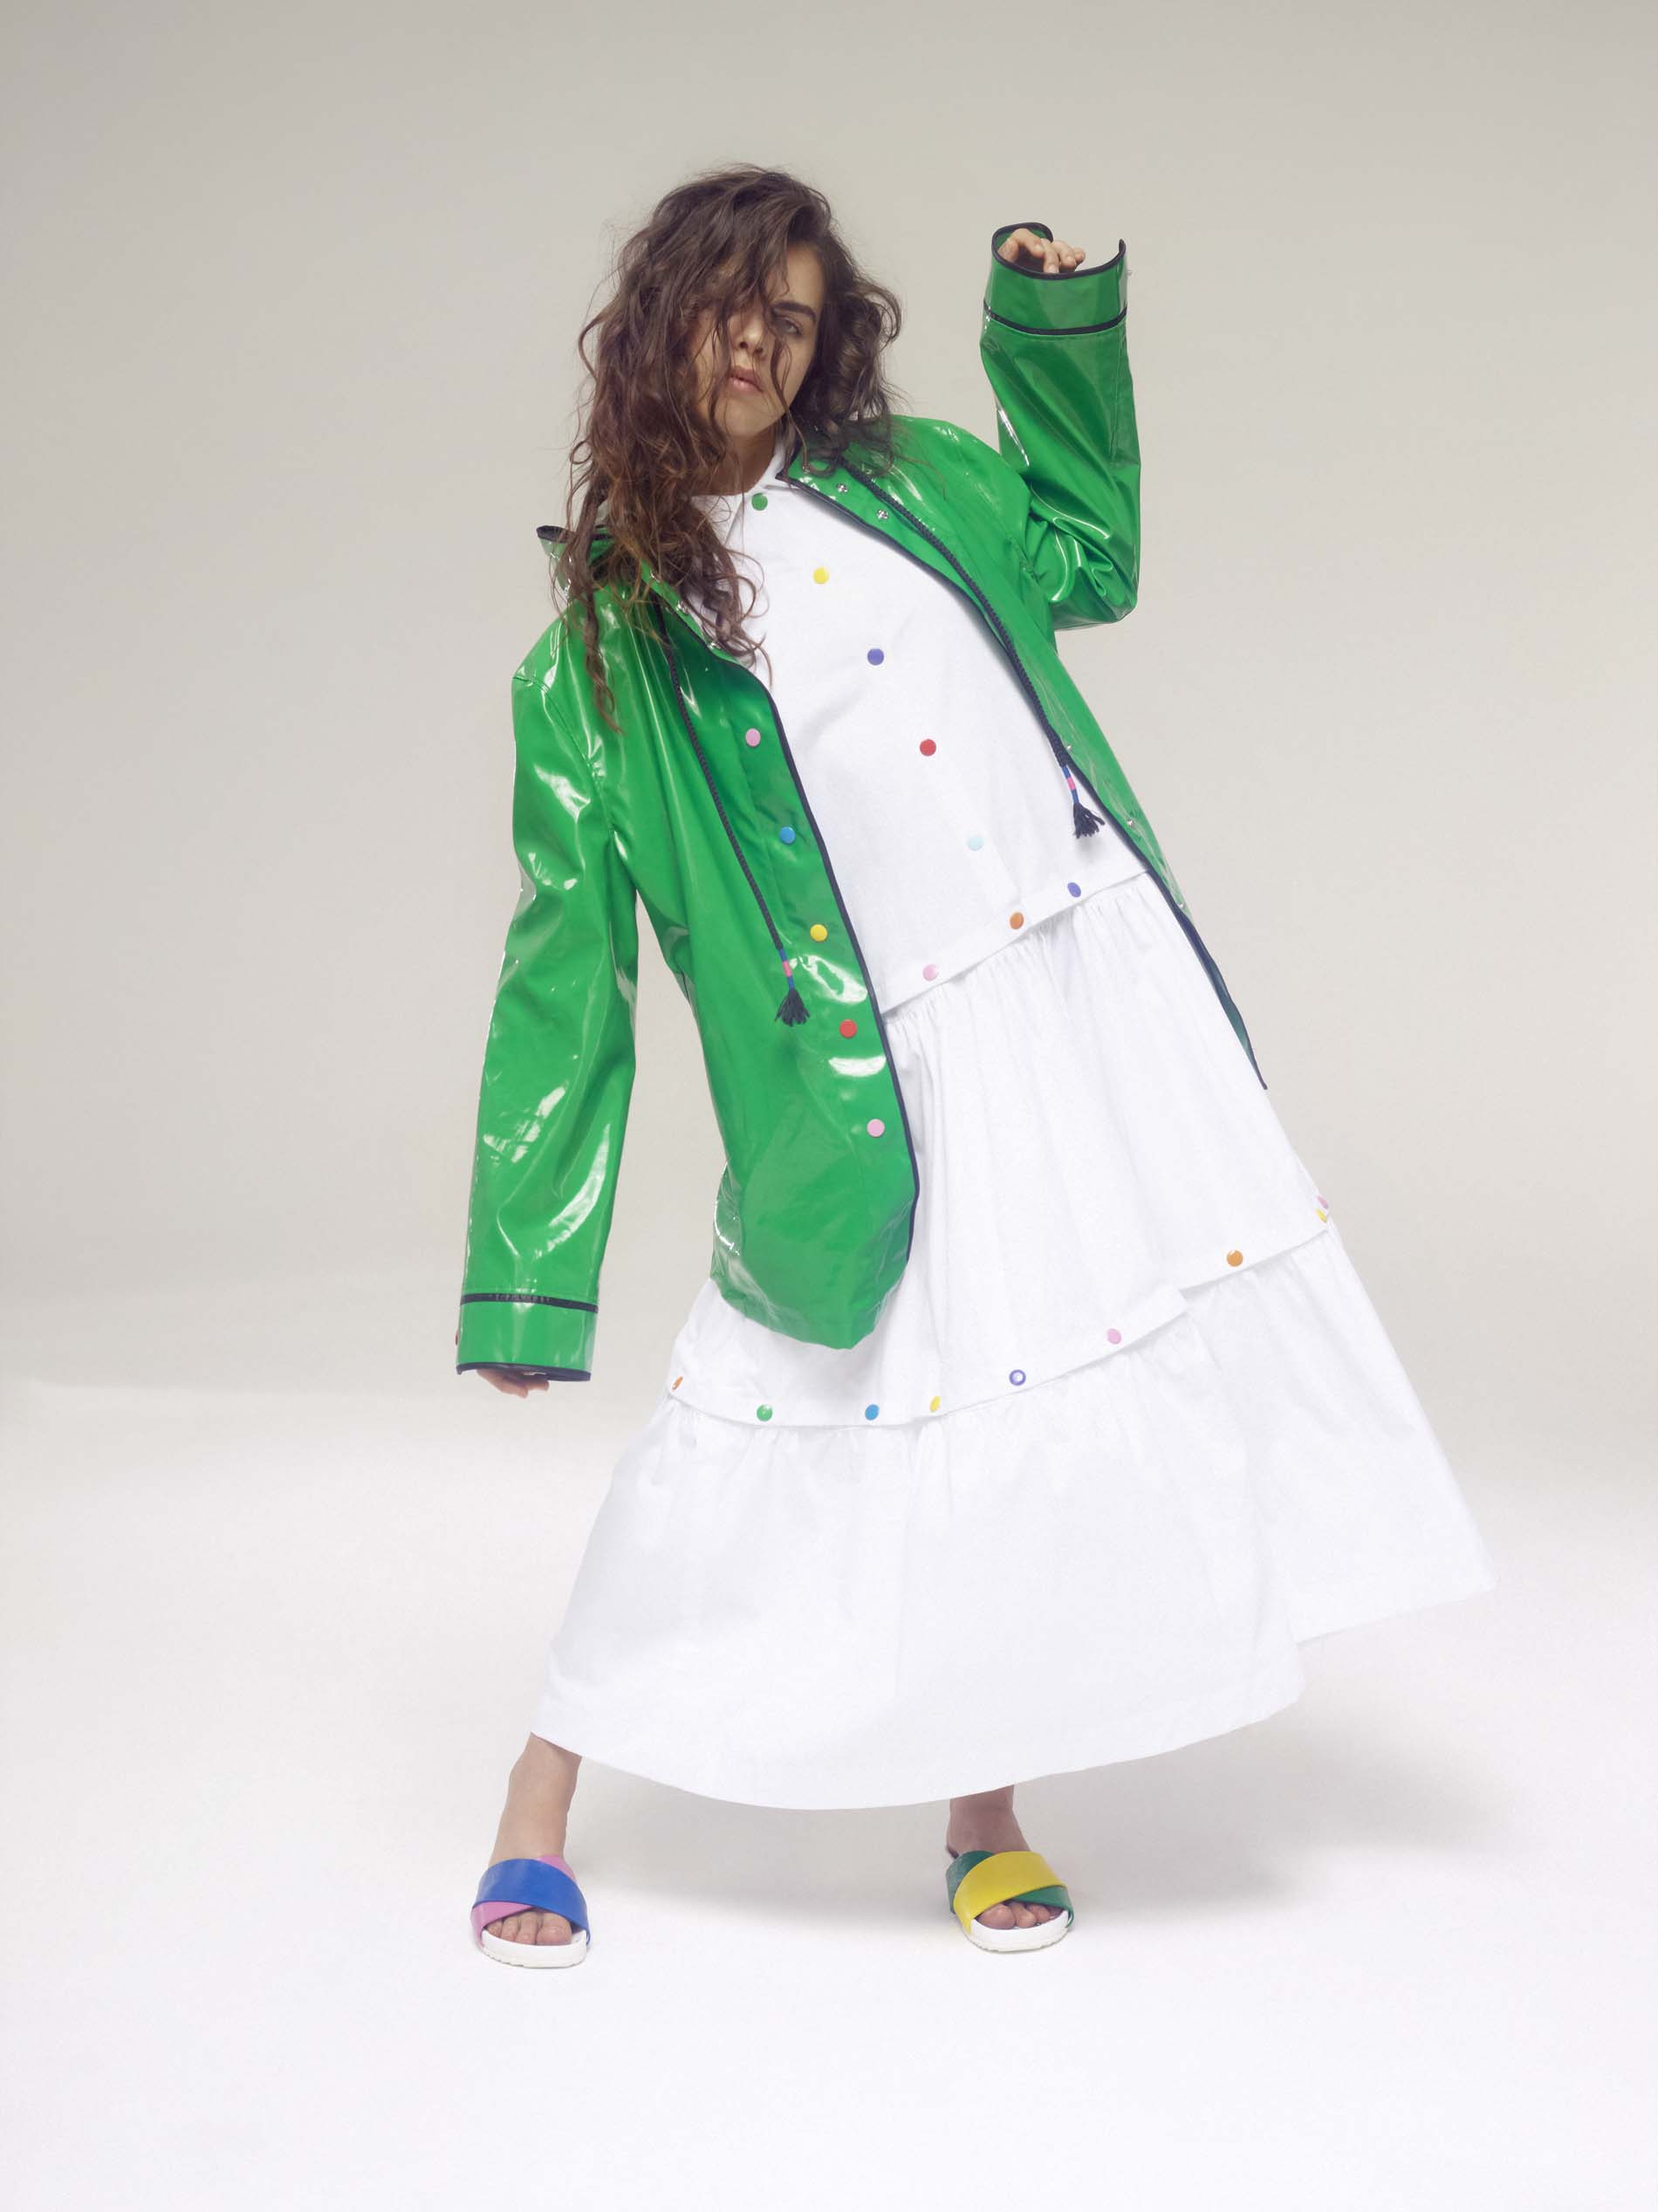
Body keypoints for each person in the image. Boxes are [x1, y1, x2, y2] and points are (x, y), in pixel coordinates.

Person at [461, 164, 1498, 1967]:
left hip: (1071, 1005)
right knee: (740, 1434)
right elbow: (565, 984)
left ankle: (984, 1812)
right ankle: (535, 1802)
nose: (761, 344)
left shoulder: (924, 482)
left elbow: (1090, 555)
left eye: (795, 318)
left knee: (1022, 1428)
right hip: (868, 1083)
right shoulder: (600, 659)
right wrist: (528, 1272)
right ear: (659, 324)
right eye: (731, 306)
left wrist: (1054, 331)